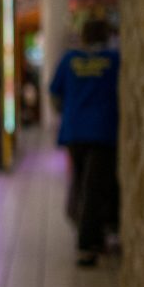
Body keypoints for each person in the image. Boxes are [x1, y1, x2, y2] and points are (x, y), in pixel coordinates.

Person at [49, 18, 120, 267]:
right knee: (94, 187)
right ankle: (87, 245)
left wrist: (70, 111)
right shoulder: (114, 60)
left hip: (75, 131)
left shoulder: (70, 60)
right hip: (103, 131)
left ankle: (89, 233)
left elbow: (54, 92)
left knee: (81, 183)